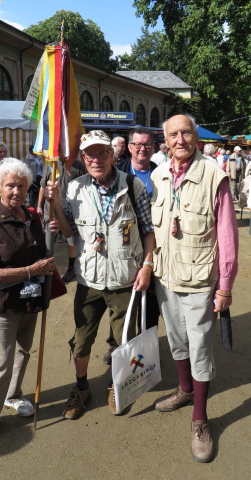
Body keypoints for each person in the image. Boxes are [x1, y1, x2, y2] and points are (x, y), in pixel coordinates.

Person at [46, 130, 155, 420]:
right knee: (81, 340)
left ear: (112, 154)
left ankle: (115, 384)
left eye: (102, 153)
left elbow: (147, 230)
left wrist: (147, 265)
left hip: (125, 279)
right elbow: (69, 232)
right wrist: (54, 203)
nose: (96, 159)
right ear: (83, 158)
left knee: (124, 340)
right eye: (90, 154)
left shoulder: (132, 185)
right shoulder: (75, 188)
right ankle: (81, 388)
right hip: (88, 279)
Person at [150, 114, 238, 463]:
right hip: (166, 278)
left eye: (186, 132)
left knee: (200, 347)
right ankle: (184, 390)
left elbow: (228, 237)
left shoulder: (215, 176)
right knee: (176, 339)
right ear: (166, 139)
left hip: (201, 281)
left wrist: (225, 286)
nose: (180, 139)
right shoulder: (158, 175)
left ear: (195, 136)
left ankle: (200, 419)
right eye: (174, 134)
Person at [0, 157, 57, 450]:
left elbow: (39, 249)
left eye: (21, 185)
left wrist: (51, 227)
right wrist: (33, 271)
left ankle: (13, 394)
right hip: (2, 302)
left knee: (22, 352)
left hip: (29, 299)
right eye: (10, 186)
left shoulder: (30, 216)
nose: (16, 191)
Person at [102, 127, 160, 365]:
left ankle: (147, 347)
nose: (142, 148)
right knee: (122, 299)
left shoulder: (160, 173)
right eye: (137, 144)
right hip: (123, 246)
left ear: (153, 147)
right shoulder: (118, 172)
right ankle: (115, 343)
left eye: (147, 144)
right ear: (129, 147)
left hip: (154, 243)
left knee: (152, 300)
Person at [37, 157, 86, 282]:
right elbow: (43, 186)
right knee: (47, 241)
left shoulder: (79, 165)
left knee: (71, 241)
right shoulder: (49, 163)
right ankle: (45, 271)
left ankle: (71, 268)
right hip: (50, 210)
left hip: (71, 210)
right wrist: (39, 206)